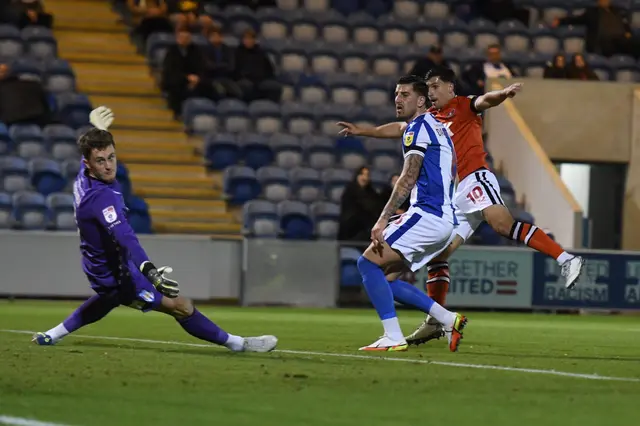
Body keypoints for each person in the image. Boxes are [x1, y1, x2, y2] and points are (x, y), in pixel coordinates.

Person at [338, 67, 584, 346]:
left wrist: (502, 94)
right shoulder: (429, 118)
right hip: (454, 196)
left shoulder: (462, 105)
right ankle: (438, 321)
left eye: (435, 87)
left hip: (473, 178)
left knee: (503, 224)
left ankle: (567, 259)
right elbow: (398, 128)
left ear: (450, 87)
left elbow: (485, 101)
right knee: (438, 258)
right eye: (427, 88)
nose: (431, 93)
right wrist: (364, 131)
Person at [32, 106, 278, 354]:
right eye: (101, 161)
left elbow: (97, 149)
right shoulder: (101, 198)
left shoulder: (85, 176)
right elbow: (125, 236)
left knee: (108, 299)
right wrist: (150, 272)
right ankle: (239, 344)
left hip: (105, 263)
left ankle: (52, 335)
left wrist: (100, 129)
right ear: (89, 163)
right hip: (114, 273)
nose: (108, 166)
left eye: (112, 157)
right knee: (180, 305)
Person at [354, 75, 467, 353]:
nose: (397, 99)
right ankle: (448, 318)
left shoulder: (417, 129)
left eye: (404, 94)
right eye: (396, 94)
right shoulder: (438, 128)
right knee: (386, 280)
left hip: (427, 215)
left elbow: (407, 178)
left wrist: (382, 220)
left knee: (367, 264)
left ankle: (393, 335)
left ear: (420, 100)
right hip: (443, 220)